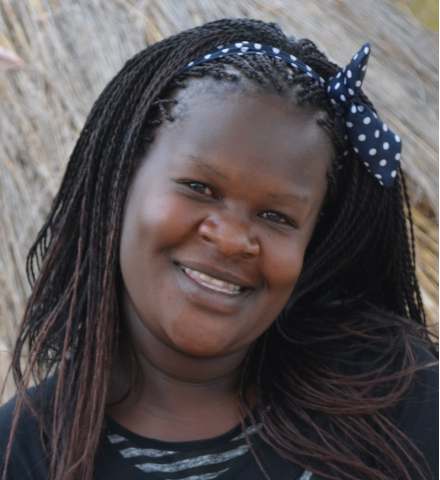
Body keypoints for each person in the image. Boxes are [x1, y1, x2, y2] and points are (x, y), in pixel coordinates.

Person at [0, 17, 437, 480]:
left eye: (277, 216)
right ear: (121, 181)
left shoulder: (398, 399)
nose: (230, 239)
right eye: (199, 188)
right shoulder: (22, 455)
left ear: (313, 240)